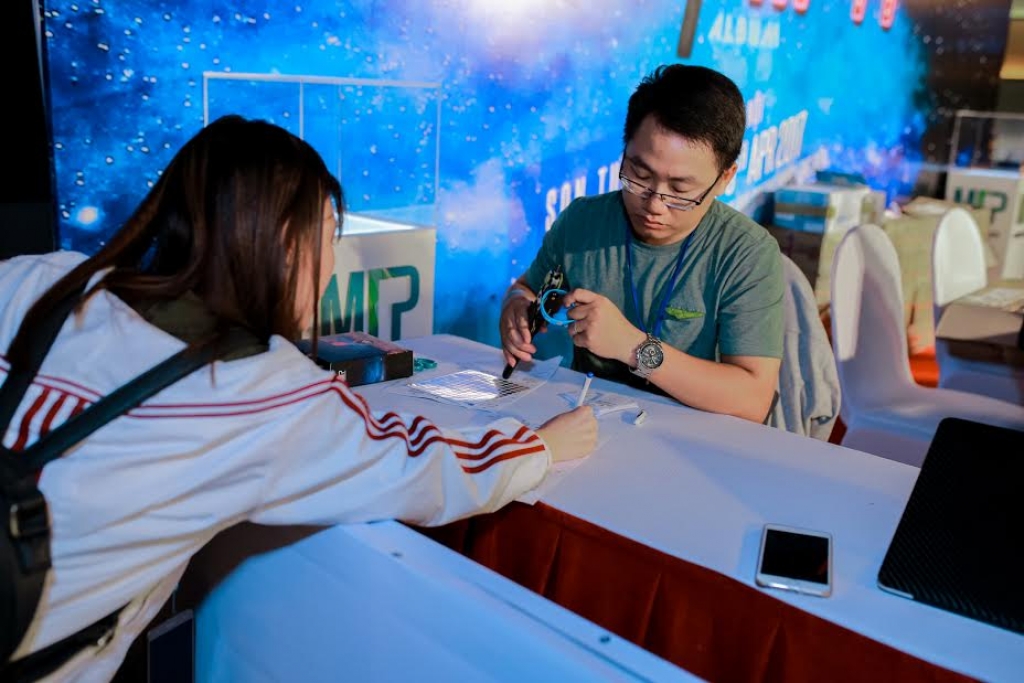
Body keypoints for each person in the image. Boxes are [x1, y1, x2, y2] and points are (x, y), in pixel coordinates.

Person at [1, 115, 597, 681]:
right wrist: (539, 445)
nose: (331, 261)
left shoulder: (44, 279)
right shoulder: (262, 392)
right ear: (286, 244)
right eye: (328, 234)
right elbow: (421, 469)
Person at [500, 65, 784, 423]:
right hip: (589, 427)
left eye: (680, 190)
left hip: (692, 438)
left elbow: (752, 400)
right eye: (639, 175)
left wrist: (633, 347)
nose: (654, 205)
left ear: (725, 177)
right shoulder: (582, 222)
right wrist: (515, 306)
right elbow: (528, 288)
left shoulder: (746, 253)